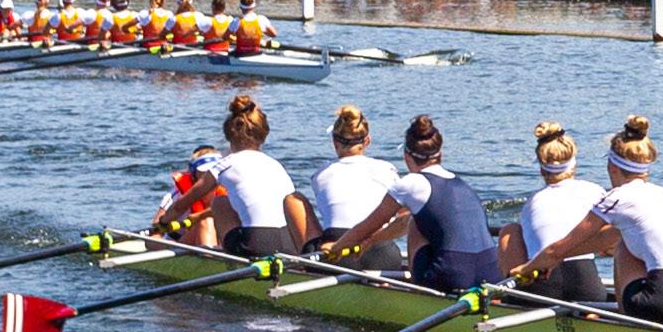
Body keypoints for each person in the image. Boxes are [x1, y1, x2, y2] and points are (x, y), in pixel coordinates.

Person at [514, 115, 663, 328]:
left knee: (623, 246)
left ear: (611, 166)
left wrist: (527, 268)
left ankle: (622, 323)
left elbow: (557, 250)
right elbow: (601, 241)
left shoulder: (618, 198)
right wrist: (556, 258)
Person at [320, 115, 504, 291]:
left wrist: (336, 248)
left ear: (406, 155)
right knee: (413, 218)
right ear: (440, 154)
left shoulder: (410, 184)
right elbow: (398, 223)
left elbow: (368, 226)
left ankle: (417, 289)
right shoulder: (462, 184)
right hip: (491, 273)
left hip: (452, 275)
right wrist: (371, 242)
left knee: (415, 222)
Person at [153, 95, 309, 258]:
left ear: (228, 135)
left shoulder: (224, 165)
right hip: (290, 248)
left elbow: (180, 206)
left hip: (255, 245)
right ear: (264, 135)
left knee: (220, 202)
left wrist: (163, 224)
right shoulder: (277, 166)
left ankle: (223, 259)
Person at [497, 121, 608, 302]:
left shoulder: (532, 202)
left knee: (509, 230)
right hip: (587, 286)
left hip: (542, 286)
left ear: (542, 170)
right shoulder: (597, 192)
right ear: (574, 165)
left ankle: (510, 291)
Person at [302, 105, 406, 270]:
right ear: (367, 141)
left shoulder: (320, 174)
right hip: (382, 254)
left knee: (296, 199)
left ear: (335, 142)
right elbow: (404, 214)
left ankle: (303, 266)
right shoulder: (387, 169)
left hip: (335, 252)